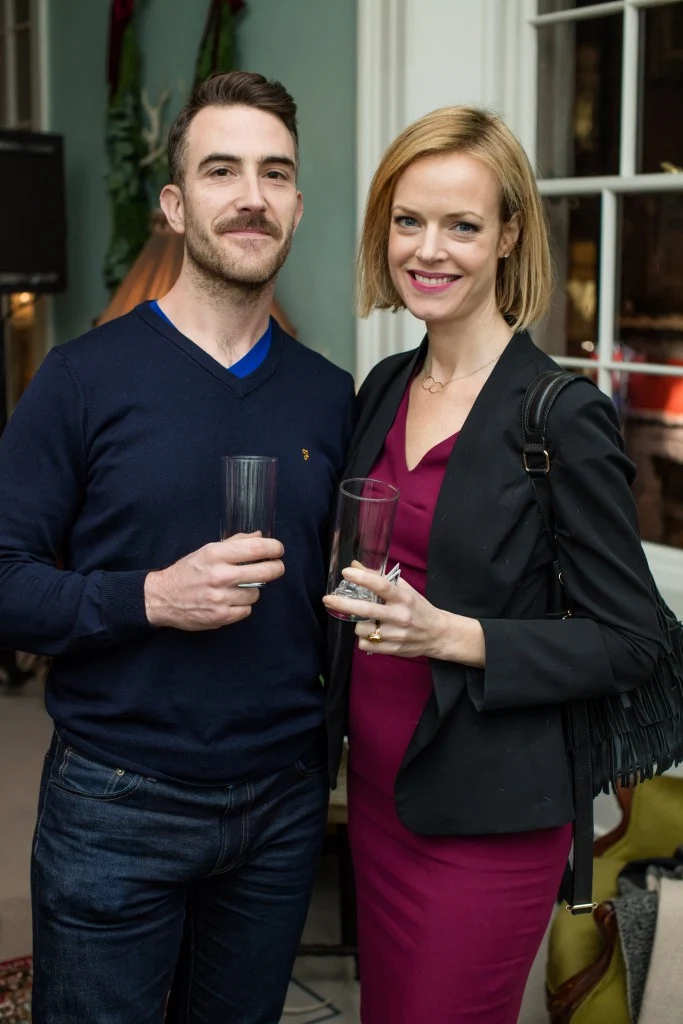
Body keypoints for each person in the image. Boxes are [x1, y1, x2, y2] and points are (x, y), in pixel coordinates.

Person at [0, 71, 355, 1024]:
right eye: (220, 170)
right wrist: (150, 597)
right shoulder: (81, 379)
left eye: (274, 173)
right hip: (119, 798)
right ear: (174, 204)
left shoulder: (330, 395)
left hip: (283, 803)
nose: (251, 195)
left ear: (296, 204)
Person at [323, 105, 661, 1024]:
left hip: (489, 816)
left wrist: (451, 635)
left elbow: (632, 641)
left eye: (462, 225)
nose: (427, 250)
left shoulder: (559, 415)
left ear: (508, 236)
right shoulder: (384, 387)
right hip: (378, 792)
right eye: (408, 220)